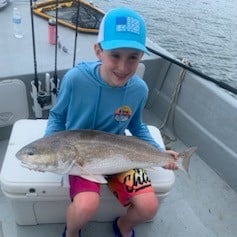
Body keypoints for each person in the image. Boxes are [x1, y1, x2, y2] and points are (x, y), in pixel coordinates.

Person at [45, 7, 179, 237]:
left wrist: (160, 153)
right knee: (86, 205)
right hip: (82, 158)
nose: (123, 67)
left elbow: (136, 126)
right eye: (115, 55)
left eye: (133, 58)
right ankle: (72, 232)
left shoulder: (139, 89)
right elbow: (57, 116)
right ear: (98, 50)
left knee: (149, 207)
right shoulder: (75, 79)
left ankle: (123, 225)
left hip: (121, 157)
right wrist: (51, 145)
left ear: (141, 57)